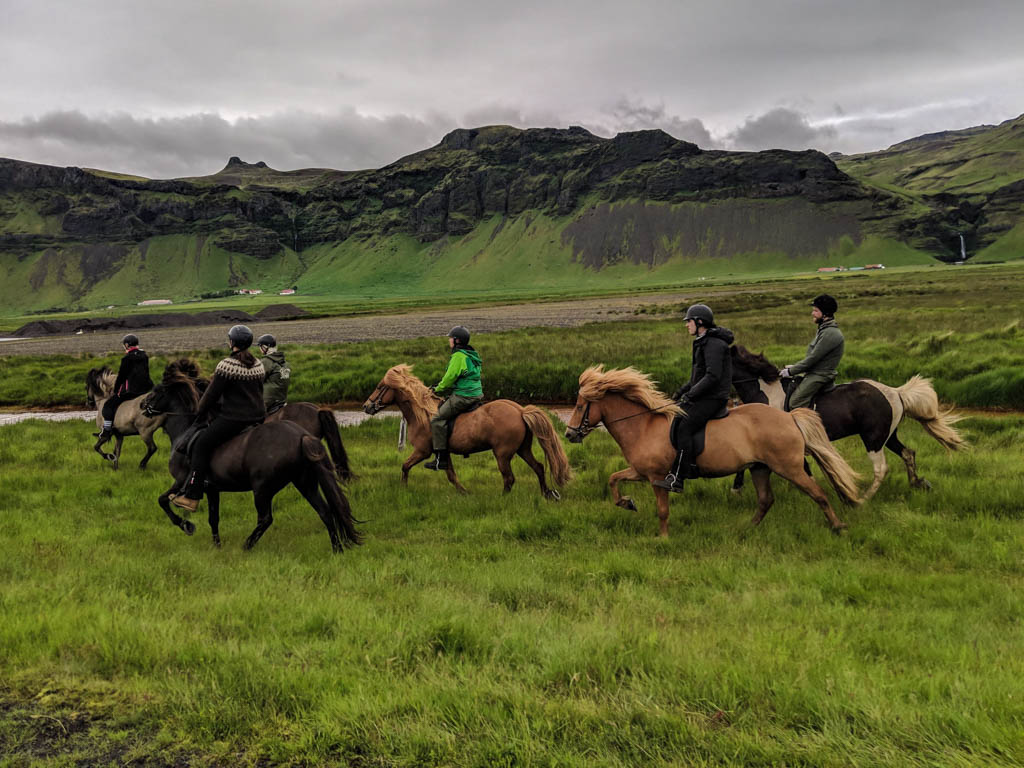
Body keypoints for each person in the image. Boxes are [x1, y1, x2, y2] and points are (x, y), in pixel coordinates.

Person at [170, 325, 266, 512]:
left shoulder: (226, 365)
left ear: (232, 342)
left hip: (235, 419)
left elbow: (211, 396)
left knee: (201, 444)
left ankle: (192, 496)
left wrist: (199, 410)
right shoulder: (258, 364)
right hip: (259, 416)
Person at [653, 304, 734, 493]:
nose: (686, 325)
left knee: (685, 427)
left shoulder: (713, 344)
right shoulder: (702, 342)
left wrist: (691, 395)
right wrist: (680, 392)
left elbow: (712, 376)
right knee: (677, 419)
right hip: (705, 396)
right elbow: (696, 378)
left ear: (699, 322)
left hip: (713, 398)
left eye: (688, 321)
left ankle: (678, 478)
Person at [425, 326, 483, 471]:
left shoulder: (458, 356)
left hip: (464, 396)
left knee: (437, 419)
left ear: (457, 341)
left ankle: (441, 460)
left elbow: (450, 378)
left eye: (451, 338)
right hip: (476, 394)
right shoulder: (471, 354)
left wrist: (437, 389)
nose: (449, 340)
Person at [779, 294, 844, 410]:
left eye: (816, 311)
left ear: (825, 314)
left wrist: (790, 371)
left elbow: (813, 358)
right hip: (814, 372)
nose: (812, 313)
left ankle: (809, 422)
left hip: (820, 375)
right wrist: (795, 367)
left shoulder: (830, 333)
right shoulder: (824, 330)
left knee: (795, 402)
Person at [95, 333, 153, 445]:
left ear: (127, 345)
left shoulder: (126, 359)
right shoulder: (144, 356)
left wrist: (116, 390)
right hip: (146, 388)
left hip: (131, 391)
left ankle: (106, 430)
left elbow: (121, 377)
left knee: (108, 406)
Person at [257, 333, 290, 414]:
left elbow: (256, 381)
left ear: (265, 347)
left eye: (260, 347)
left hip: (268, 402)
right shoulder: (284, 362)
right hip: (282, 400)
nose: (259, 349)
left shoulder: (266, 361)